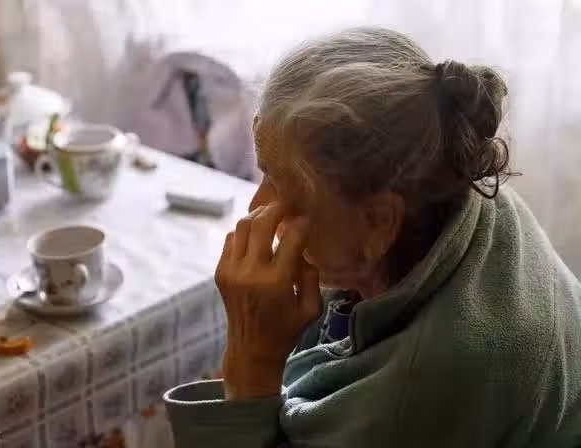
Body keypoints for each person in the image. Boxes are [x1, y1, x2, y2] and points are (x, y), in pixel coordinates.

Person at [164, 27, 581, 447]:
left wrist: (251, 363)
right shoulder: (452, 178)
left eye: (281, 183)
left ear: (378, 223)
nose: (257, 208)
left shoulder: (422, 389)